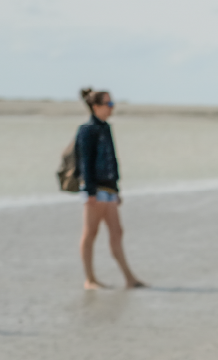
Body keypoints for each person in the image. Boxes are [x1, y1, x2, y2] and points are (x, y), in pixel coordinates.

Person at [75, 87, 145, 290]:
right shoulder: (87, 130)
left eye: (112, 103)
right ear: (96, 107)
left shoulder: (106, 128)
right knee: (91, 233)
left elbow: (112, 160)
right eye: (109, 104)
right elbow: (85, 163)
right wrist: (90, 192)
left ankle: (129, 278)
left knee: (117, 231)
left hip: (109, 190)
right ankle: (90, 279)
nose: (112, 107)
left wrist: (117, 188)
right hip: (94, 190)